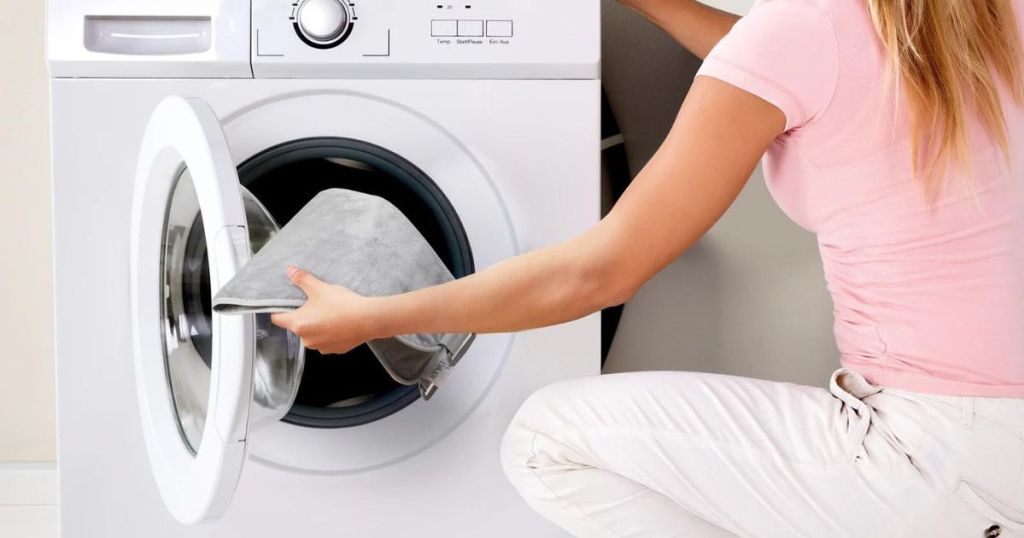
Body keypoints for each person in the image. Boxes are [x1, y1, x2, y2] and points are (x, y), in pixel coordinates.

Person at [271, 0, 1024, 535]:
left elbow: (595, 276)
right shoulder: (973, 18)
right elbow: (801, 59)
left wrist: (374, 316)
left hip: (933, 456)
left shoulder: (809, 31)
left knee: (546, 442)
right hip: (998, 448)